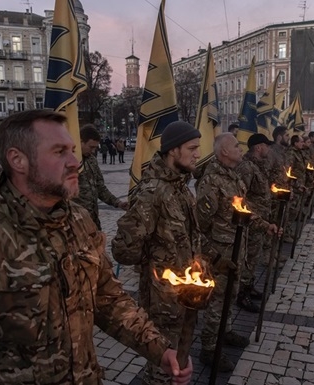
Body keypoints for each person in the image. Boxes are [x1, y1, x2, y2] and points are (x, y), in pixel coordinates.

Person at [0, 110, 192, 385]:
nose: (75, 162)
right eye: (59, 151)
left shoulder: (78, 221)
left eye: (72, 150)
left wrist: (159, 349)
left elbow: (108, 299)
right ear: (18, 159)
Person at [112, 121, 202, 385]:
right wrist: (154, 264)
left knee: (178, 363)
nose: (198, 153)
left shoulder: (181, 188)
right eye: (193, 148)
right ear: (174, 150)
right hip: (163, 299)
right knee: (163, 368)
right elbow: (123, 251)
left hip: (184, 294)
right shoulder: (152, 192)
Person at [196, 132, 277, 372]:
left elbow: (242, 210)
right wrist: (213, 255)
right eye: (236, 146)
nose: (241, 149)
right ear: (224, 152)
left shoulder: (232, 177)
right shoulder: (211, 182)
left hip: (236, 247)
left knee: (231, 295)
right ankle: (209, 349)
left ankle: (226, 330)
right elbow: (198, 226)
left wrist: (265, 225)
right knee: (218, 300)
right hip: (221, 254)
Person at [234, 133, 273, 313]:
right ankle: (242, 294)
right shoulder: (247, 167)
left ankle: (248, 286)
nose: (268, 149)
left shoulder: (260, 165)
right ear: (258, 147)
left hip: (259, 220)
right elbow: (240, 196)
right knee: (247, 259)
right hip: (250, 221)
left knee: (254, 256)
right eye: (266, 145)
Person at [74, 125, 128, 230]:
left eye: (95, 147)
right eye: (91, 147)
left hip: (92, 221)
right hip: (76, 223)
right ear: (80, 141)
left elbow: (100, 188)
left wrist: (118, 203)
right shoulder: (70, 161)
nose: (94, 151)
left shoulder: (92, 161)